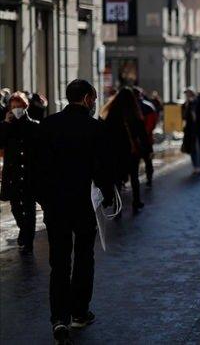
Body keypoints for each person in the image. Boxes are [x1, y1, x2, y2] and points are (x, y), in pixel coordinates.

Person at [35, 80, 114, 344]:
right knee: (83, 257)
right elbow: (103, 169)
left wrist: (44, 200)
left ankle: (59, 318)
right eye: (93, 98)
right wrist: (108, 196)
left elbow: (37, 169)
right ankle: (79, 312)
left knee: (58, 262)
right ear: (89, 98)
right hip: (83, 205)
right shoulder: (95, 128)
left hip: (55, 206)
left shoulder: (47, 125)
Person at [0, 92, 40, 254]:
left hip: (30, 173)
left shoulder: (34, 125)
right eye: (13, 106)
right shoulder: (6, 126)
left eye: (19, 106)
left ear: (25, 107)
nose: (16, 109)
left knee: (29, 208)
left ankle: (28, 238)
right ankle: (24, 230)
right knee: (15, 207)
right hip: (13, 173)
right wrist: (5, 124)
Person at [100, 87, 151, 213]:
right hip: (132, 150)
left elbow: (106, 132)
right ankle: (136, 201)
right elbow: (142, 133)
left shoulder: (112, 113)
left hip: (116, 150)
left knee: (117, 178)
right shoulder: (134, 112)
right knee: (134, 176)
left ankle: (118, 205)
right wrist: (147, 148)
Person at [181, 89, 200, 175]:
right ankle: (195, 167)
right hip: (190, 131)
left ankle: (199, 167)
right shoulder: (187, 105)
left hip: (199, 131)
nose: (188, 97)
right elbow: (184, 117)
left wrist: (199, 118)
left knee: (199, 148)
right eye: (187, 95)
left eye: (189, 95)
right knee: (192, 149)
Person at [136, 88, 158, 187]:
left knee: (135, 162)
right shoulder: (148, 106)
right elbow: (151, 124)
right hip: (146, 139)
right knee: (148, 160)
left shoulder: (130, 107)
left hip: (135, 140)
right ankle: (149, 179)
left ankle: (135, 180)